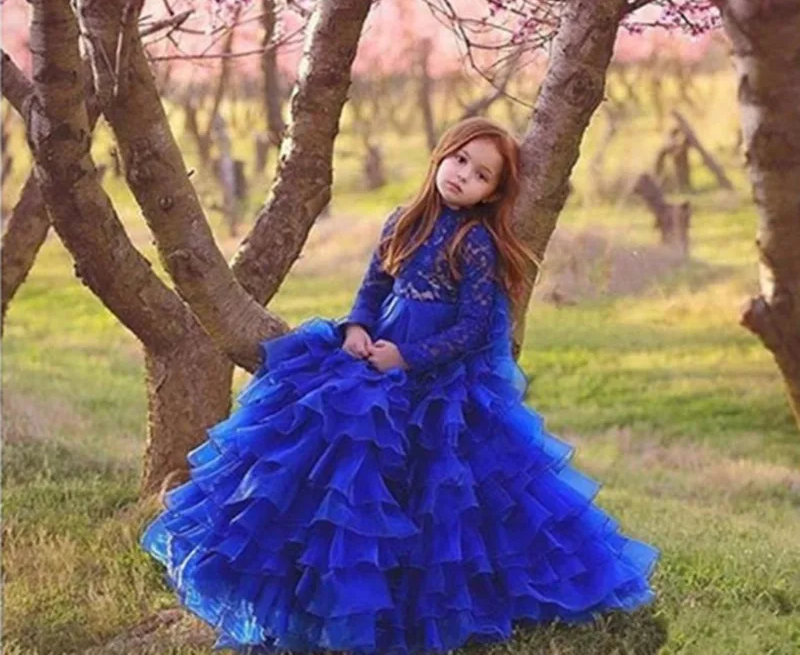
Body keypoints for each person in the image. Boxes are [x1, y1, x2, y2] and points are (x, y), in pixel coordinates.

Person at [140, 117, 659, 654]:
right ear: (440, 156)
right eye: (459, 160)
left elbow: (472, 328)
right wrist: (359, 327)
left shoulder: (475, 242)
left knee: (429, 481)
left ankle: (405, 600)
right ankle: (307, 584)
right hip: (373, 352)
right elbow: (372, 288)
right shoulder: (402, 222)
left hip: (430, 372)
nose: (463, 176)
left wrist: (406, 357)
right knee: (325, 439)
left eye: (481, 175)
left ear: (492, 194)